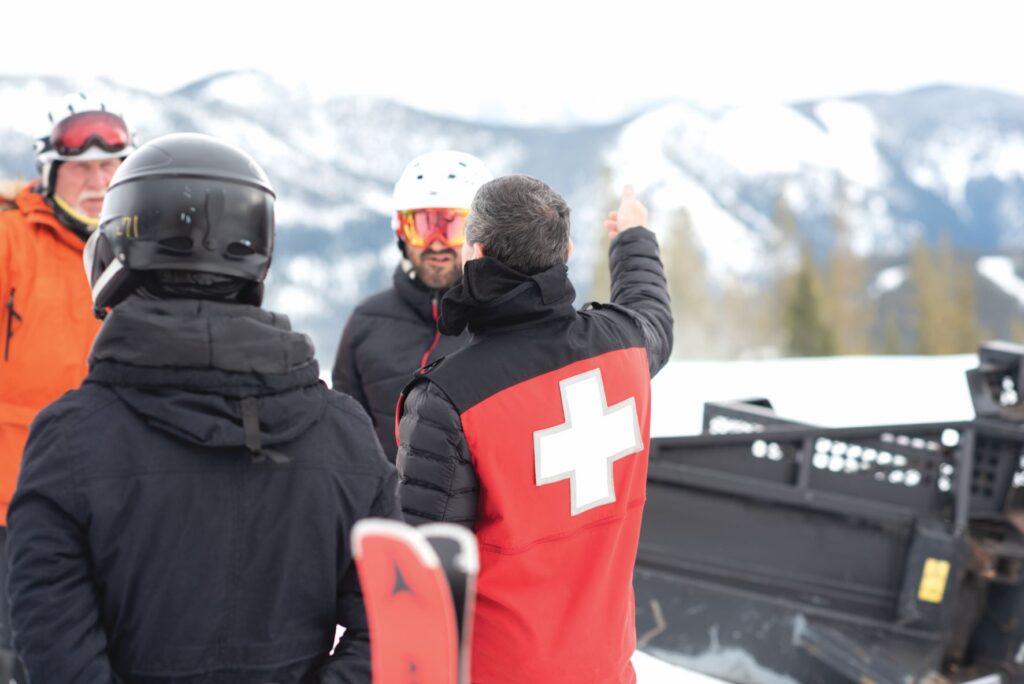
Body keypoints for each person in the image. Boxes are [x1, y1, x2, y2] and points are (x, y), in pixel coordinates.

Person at [7, 133, 400, 683]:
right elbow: (389, 626)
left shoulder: (69, 438)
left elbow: (52, 642)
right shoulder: (345, 433)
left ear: (115, 253)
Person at [395, 176, 673, 683]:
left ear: (473, 251)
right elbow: (651, 312)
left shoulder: (450, 399)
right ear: (565, 250)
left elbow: (427, 580)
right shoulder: (625, 346)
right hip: (606, 669)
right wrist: (633, 237)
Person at [0, 93, 136, 676]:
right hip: (13, 499)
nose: (96, 180)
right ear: (51, 173)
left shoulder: (139, 251)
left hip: (120, 493)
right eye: (80, 167)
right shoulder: (11, 242)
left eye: (111, 167)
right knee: (21, 651)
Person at [332, 150, 492, 461]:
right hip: (387, 506)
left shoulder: (504, 323)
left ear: (479, 234)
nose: (436, 242)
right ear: (400, 233)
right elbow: (343, 435)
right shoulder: (366, 323)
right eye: (421, 225)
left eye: (452, 226)